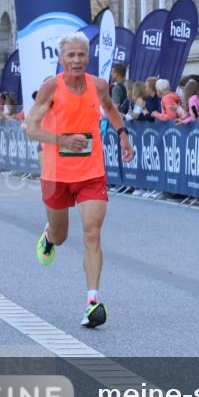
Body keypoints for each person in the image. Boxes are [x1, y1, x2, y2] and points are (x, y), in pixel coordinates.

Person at [24, 31, 134, 328]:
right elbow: (30, 129)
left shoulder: (98, 85)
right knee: (61, 236)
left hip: (91, 173)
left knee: (92, 233)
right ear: (61, 59)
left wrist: (122, 134)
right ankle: (49, 236)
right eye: (70, 55)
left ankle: (92, 300)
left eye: (81, 55)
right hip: (56, 175)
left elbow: (110, 109)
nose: (76, 60)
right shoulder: (50, 88)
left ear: (88, 57)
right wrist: (62, 140)